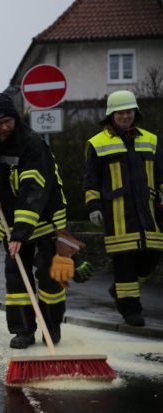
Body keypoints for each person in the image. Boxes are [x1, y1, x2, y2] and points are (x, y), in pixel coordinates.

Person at [0, 93, 69, 349]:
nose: (4, 127)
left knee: (49, 274)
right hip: (13, 219)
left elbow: (33, 190)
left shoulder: (32, 143)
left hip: (46, 217)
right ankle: (23, 331)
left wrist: (20, 232)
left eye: (7, 121)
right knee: (16, 276)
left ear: (15, 119)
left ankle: (51, 325)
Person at [83, 90, 163, 327]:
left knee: (152, 256)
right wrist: (93, 206)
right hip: (117, 215)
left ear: (135, 113)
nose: (125, 116)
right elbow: (91, 180)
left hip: (148, 212)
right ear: (111, 115)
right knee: (125, 264)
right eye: (120, 113)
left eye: (129, 111)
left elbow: (160, 174)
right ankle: (130, 310)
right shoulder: (97, 143)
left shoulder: (150, 140)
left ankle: (119, 290)